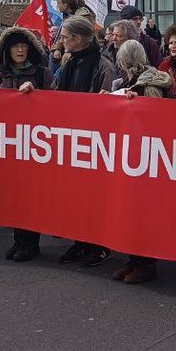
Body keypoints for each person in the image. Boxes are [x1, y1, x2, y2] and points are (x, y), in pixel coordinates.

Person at [0, 27, 55, 263]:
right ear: (7, 51)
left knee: (30, 195)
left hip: (34, 143)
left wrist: (35, 95)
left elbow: (55, 102)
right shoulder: (0, 74)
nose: (20, 50)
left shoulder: (42, 73)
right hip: (8, 143)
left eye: (23, 46)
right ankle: (19, 240)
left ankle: (31, 243)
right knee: (14, 195)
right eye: (15, 46)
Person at [53, 16, 120, 266]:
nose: (62, 41)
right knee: (75, 195)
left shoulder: (103, 65)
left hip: (94, 140)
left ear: (78, 38)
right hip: (71, 137)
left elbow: (110, 102)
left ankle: (98, 245)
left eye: (65, 37)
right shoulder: (69, 62)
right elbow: (55, 92)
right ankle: (79, 241)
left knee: (94, 196)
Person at [108, 39, 174, 284]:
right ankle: (134, 259)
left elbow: (155, 115)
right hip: (131, 153)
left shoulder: (149, 83)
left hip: (146, 154)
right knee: (130, 209)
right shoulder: (128, 81)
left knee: (143, 211)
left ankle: (146, 262)